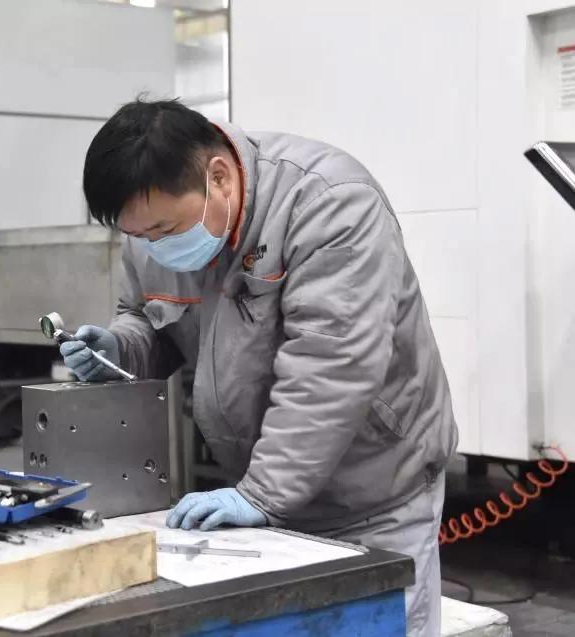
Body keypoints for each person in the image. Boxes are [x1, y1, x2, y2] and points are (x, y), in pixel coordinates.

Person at [59, 98, 458, 637]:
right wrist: (118, 348)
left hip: (373, 493)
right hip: (267, 490)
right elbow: (149, 318)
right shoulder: (155, 231)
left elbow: (332, 367)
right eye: (140, 237)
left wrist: (263, 493)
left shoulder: (329, 202)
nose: (155, 248)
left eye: (164, 230)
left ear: (219, 177)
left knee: (375, 623)